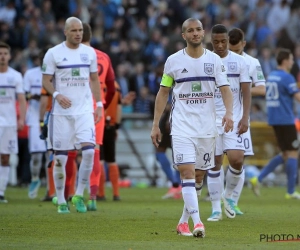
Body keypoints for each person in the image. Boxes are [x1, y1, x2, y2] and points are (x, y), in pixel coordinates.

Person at [150, 18, 233, 238]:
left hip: (206, 128)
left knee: (198, 176)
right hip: (181, 127)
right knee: (186, 172)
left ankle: (182, 222)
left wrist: (229, 113)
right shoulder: (173, 61)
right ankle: (198, 223)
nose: (195, 33)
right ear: (183, 35)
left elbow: (225, 89)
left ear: (203, 32)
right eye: (190, 30)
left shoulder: (214, 61)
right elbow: (163, 93)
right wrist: (156, 124)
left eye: (198, 30)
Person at [42, 17, 102, 214]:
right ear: (65, 32)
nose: (78, 34)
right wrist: (57, 95)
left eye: (80, 31)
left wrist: (99, 104)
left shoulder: (89, 53)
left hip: (84, 111)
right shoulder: (54, 53)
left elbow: (94, 80)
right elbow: (46, 80)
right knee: (61, 159)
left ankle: (78, 193)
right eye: (74, 30)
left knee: (88, 152)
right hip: (61, 115)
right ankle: (60, 199)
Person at [199, 24, 251, 222]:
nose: (220, 45)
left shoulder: (239, 62)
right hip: (211, 120)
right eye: (216, 42)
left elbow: (246, 92)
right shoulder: (205, 60)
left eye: (223, 41)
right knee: (214, 164)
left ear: (228, 41)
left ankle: (228, 196)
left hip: (234, 117)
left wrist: (245, 117)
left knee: (237, 159)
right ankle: (215, 209)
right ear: (211, 41)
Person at [250, 48, 300, 199]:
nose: (292, 62)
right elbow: (297, 96)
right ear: (285, 61)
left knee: (285, 153)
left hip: (274, 119)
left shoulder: (271, 75)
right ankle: (290, 191)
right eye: (291, 59)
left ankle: (257, 178)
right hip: (285, 119)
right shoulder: (287, 77)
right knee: (293, 153)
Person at [228, 27, 266, 215]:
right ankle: (218, 201)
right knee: (216, 161)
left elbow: (262, 89)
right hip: (220, 117)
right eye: (230, 50)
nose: (233, 54)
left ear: (243, 44)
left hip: (242, 117)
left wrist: (243, 88)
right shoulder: (219, 59)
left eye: (236, 50)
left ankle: (232, 200)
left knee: (238, 161)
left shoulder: (252, 62)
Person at [81, 22, 116, 211]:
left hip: (76, 108)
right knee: (94, 152)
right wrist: (102, 104)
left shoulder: (72, 56)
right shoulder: (103, 57)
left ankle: (68, 195)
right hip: (97, 109)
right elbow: (111, 87)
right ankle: (92, 196)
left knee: (69, 153)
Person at [0, 42, 26, 203]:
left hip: (9, 122)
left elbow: (22, 100)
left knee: (5, 157)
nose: (2, 56)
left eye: (4, 53)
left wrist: (21, 118)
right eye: (0, 53)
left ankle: (1, 191)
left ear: (9, 56)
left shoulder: (15, 76)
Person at [23, 49, 48, 199]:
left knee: (50, 154)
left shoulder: (56, 75)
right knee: (37, 156)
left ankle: (50, 189)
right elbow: (23, 94)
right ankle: (35, 179)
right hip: (34, 118)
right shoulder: (30, 74)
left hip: (51, 116)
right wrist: (33, 96)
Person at [97, 81, 122, 201]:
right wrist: (116, 126)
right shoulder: (116, 86)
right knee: (112, 160)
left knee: (100, 160)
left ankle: (101, 193)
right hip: (111, 125)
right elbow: (119, 107)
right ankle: (116, 193)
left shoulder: (96, 83)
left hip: (97, 124)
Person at [158, 102, 182, 199]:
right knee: (177, 156)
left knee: (178, 156)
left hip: (174, 119)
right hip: (171, 118)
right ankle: (176, 184)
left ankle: (176, 184)